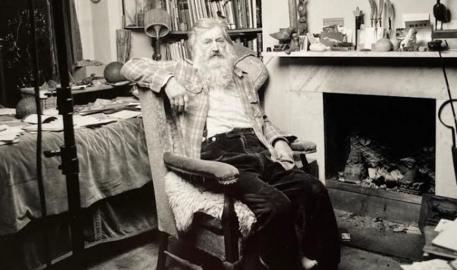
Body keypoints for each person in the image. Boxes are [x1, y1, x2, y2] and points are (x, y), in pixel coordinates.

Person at [121, 18, 340, 270]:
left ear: (228, 46)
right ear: (194, 48)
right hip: (220, 155)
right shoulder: (182, 70)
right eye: (207, 41)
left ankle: (323, 264)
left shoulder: (241, 78)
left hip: (257, 149)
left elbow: (262, 120)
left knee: (314, 190)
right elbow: (131, 66)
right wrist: (169, 83)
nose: (214, 47)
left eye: (219, 40)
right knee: (275, 205)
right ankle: (282, 264)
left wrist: (279, 141)